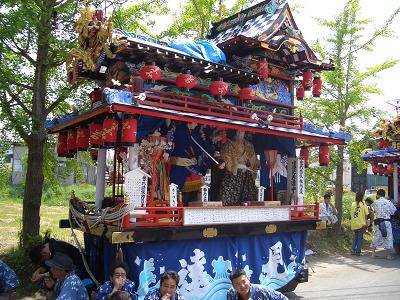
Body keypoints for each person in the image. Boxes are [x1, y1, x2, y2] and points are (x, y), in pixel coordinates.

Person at [218, 130, 259, 206]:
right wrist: (228, 162)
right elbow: (225, 157)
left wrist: (254, 166)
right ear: (235, 132)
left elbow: (253, 160)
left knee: (248, 196)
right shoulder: (229, 144)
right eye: (238, 131)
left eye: (242, 131)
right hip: (233, 172)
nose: (240, 133)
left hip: (246, 174)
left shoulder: (249, 145)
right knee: (228, 195)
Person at [371, 189, 397, 259]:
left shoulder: (375, 202)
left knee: (377, 236)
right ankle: (388, 255)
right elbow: (393, 211)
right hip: (387, 222)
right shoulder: (389, 202)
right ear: (384, 194)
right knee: (388, 238)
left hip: (379, 222)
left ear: (378, 195)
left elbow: (374, 211)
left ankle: (373, 253)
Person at [350, 192, 369, 256]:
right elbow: (366, 215)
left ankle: (353, 250)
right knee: (360, 238)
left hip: (354, 224)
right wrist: (366, 223)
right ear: (362, 197)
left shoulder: (353, 204)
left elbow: (352, 214)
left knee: (355, 237)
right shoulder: (363, 204)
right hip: (361, 224)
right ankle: (358, 251)